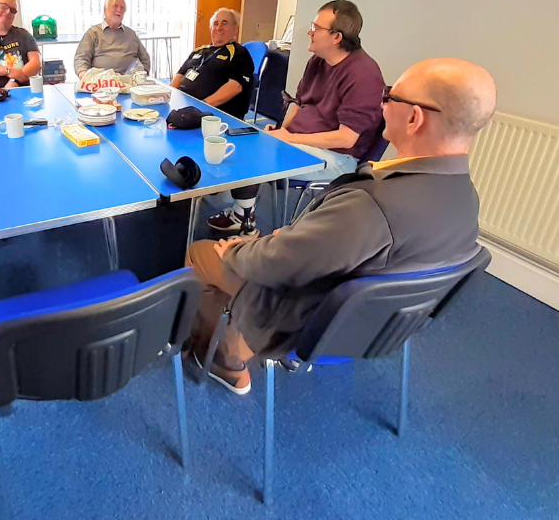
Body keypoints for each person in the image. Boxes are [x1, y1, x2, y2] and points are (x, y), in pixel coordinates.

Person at [185, 58, 497, 395]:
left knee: (202, 253)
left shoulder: (372, 204)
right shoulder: (466, 197)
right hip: (376, 324)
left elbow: (279, 264)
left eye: (391, 95)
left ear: (414, 117)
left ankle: (226, 359)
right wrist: (298, 239)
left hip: (310, 315)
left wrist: (236, 250)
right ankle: (236, 337)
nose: (382, 103)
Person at [207, 0, 385, 237]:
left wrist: (289, 138)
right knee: (246, 140)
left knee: (254, 159)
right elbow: (299, 103)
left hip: (338, 157)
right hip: (301, 140)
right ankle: (243, 213)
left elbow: (346, 139)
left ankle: (247, 227)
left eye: (316, 28)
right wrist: (281, 130)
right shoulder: (318, 61)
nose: (310, 32)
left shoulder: (363, 74)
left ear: (336, 37)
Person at [170, 8, 253, 119]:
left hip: (209, 112)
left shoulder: (239, 52)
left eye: (225, 23)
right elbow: (179, 75)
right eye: (215, 23)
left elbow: (235, 86)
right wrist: (170, 96)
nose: (219, 28)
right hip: (184, 106)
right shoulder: (199, 50)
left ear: (235, 29)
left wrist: (201, 106)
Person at [73, 0, 151, 78]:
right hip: (101, 84)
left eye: (122, 8)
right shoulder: (93, 33)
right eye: (115, 6)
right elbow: (81, 58)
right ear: (105, 10)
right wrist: (84, 74)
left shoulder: (131, 34)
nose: (119, 10)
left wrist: (142, 76)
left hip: (129, 83)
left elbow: (145, 59)